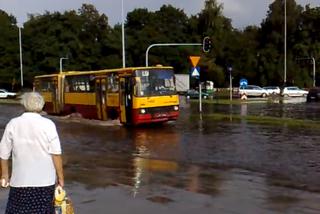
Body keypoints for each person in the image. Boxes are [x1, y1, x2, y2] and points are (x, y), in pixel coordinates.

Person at [0, 92, 64, 214]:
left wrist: (5, 175)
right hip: (45, 182)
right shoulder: (48, 124)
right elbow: (56, 154)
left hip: (20, 181)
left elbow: (3, 152)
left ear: (24, 105)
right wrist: (60, 177)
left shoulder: (13, 123)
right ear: (41, 105)